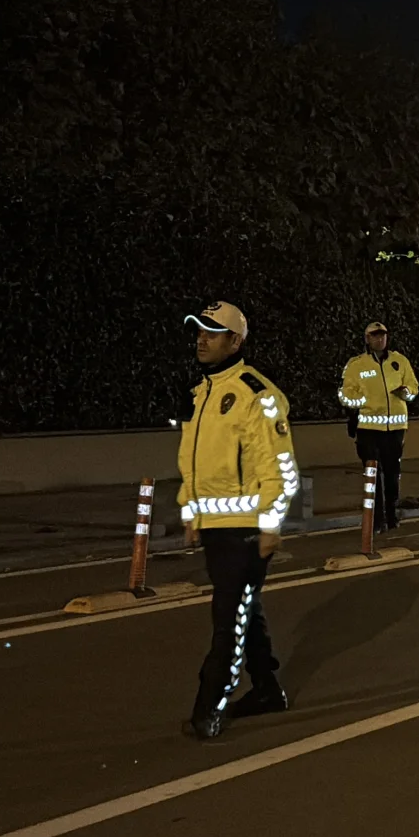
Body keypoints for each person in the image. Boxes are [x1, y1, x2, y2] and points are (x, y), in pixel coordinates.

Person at [177, 301, 301, 740]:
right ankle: (267, 689)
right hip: (217, 528)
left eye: (212, 332)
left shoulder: (256, 395)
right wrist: (191, 512)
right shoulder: (201, 394)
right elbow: (193, 465)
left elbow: (279, 467)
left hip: (246, 529)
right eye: (199, 331)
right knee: (245, 607)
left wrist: (270, 525)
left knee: (228, 617)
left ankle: (209, 705)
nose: (202, 339)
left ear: (235, 341)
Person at [339, 321, 419, 531]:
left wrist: (406, 392)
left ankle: (392, 517)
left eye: (383, 335)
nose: (380, 339)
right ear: (367, 339)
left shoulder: (399, 361)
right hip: (369, 429)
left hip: (395, 429)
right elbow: (346, 394)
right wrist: (363, 401)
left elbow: (414, 386)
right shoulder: (356, 365)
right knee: (373, 476)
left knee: (392, 475)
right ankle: (376, 520)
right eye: (375, 335)